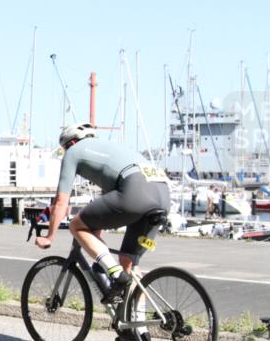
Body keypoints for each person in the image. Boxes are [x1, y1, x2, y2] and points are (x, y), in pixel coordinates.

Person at [34, 122, 170, 305]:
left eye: (64, 148)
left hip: (136, 190)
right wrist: (95, 231)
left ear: (71, 143)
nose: (65, 152)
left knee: (76, 225)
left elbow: (60, 202)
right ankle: (138, 322)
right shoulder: (111, 149)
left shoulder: (74, 151)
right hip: (163, 195)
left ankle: (115, 273)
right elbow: (106, 206)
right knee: (129, 263)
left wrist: (49, 236)